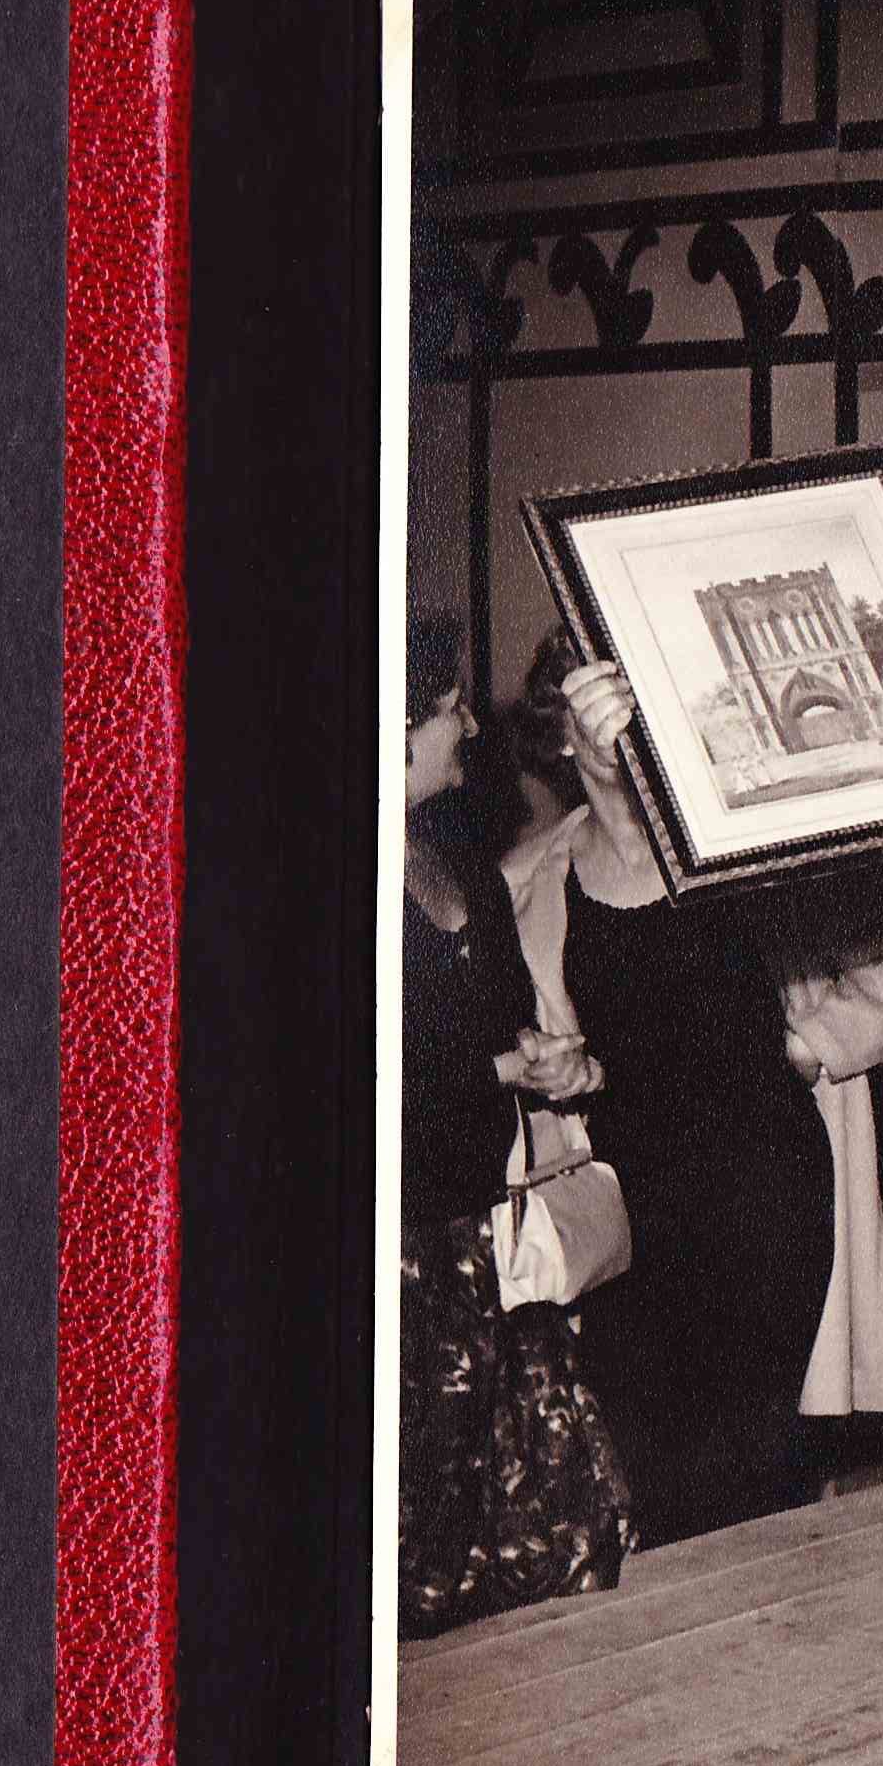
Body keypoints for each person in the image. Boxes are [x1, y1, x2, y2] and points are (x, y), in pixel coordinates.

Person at [510, 652, 841, 1549]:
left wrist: (816, 1043)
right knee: (643, 1471)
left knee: (750, 1462)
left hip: (760, 1182)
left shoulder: (740, 833)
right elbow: (521, 1040)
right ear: (560, 726)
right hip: (627, 1200)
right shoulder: (531, 875)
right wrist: (555, 1068)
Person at [394, 615, 634, 1636]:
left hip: (484, 1229)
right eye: (448, 709)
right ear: (394, 722)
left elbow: (492, 1025)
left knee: (555, 1520)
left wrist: (543, 1055)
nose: (469, 728)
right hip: (398, 1250)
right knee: (419, 1523)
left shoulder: (459, 858)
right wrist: (491, 1066)